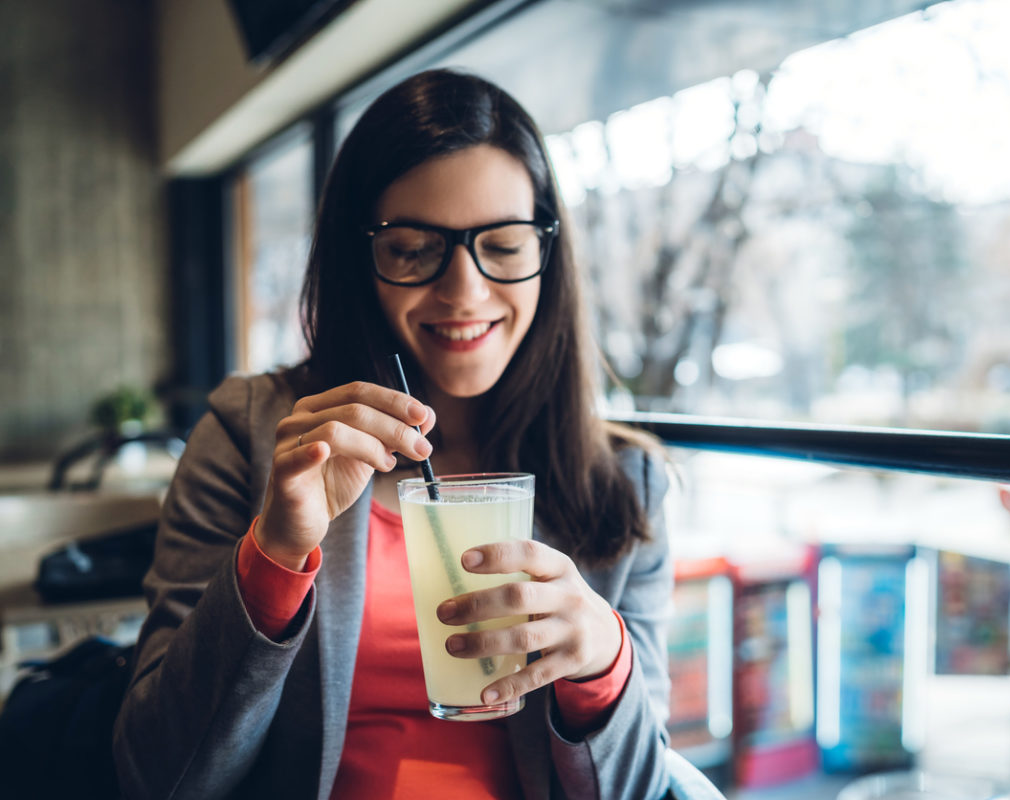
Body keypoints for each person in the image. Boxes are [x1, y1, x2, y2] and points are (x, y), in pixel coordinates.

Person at [113, 69, 674, 799]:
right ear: (360, 261)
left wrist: (604, 663)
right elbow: (155, 777)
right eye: (413, 250)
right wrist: (276, 553)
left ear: (547, 256)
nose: (464, 292)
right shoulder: (252, 437)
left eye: (502, 246)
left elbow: (642, 787)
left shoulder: (626, 483)